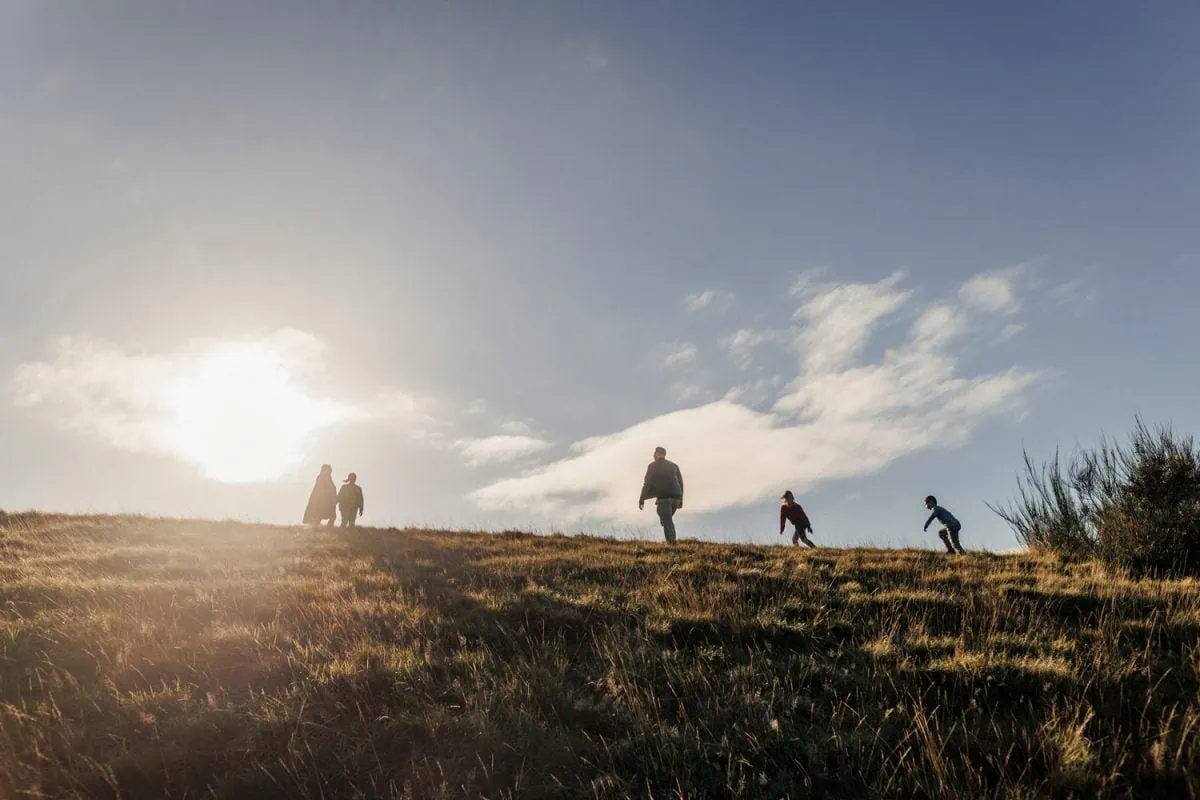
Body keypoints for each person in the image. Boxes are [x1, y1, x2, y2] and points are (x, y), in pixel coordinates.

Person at [639, 446, 684, 544]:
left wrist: (641, 499)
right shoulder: (674, 465)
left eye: (654, 453)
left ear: (656, 453)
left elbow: (647, 483)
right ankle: (670, 536)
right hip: (676, 498)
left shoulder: (652, 466)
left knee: (667, 520)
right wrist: (681, 501)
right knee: (666, 518)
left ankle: (672, 543)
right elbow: (681, 483)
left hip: (664, 498)